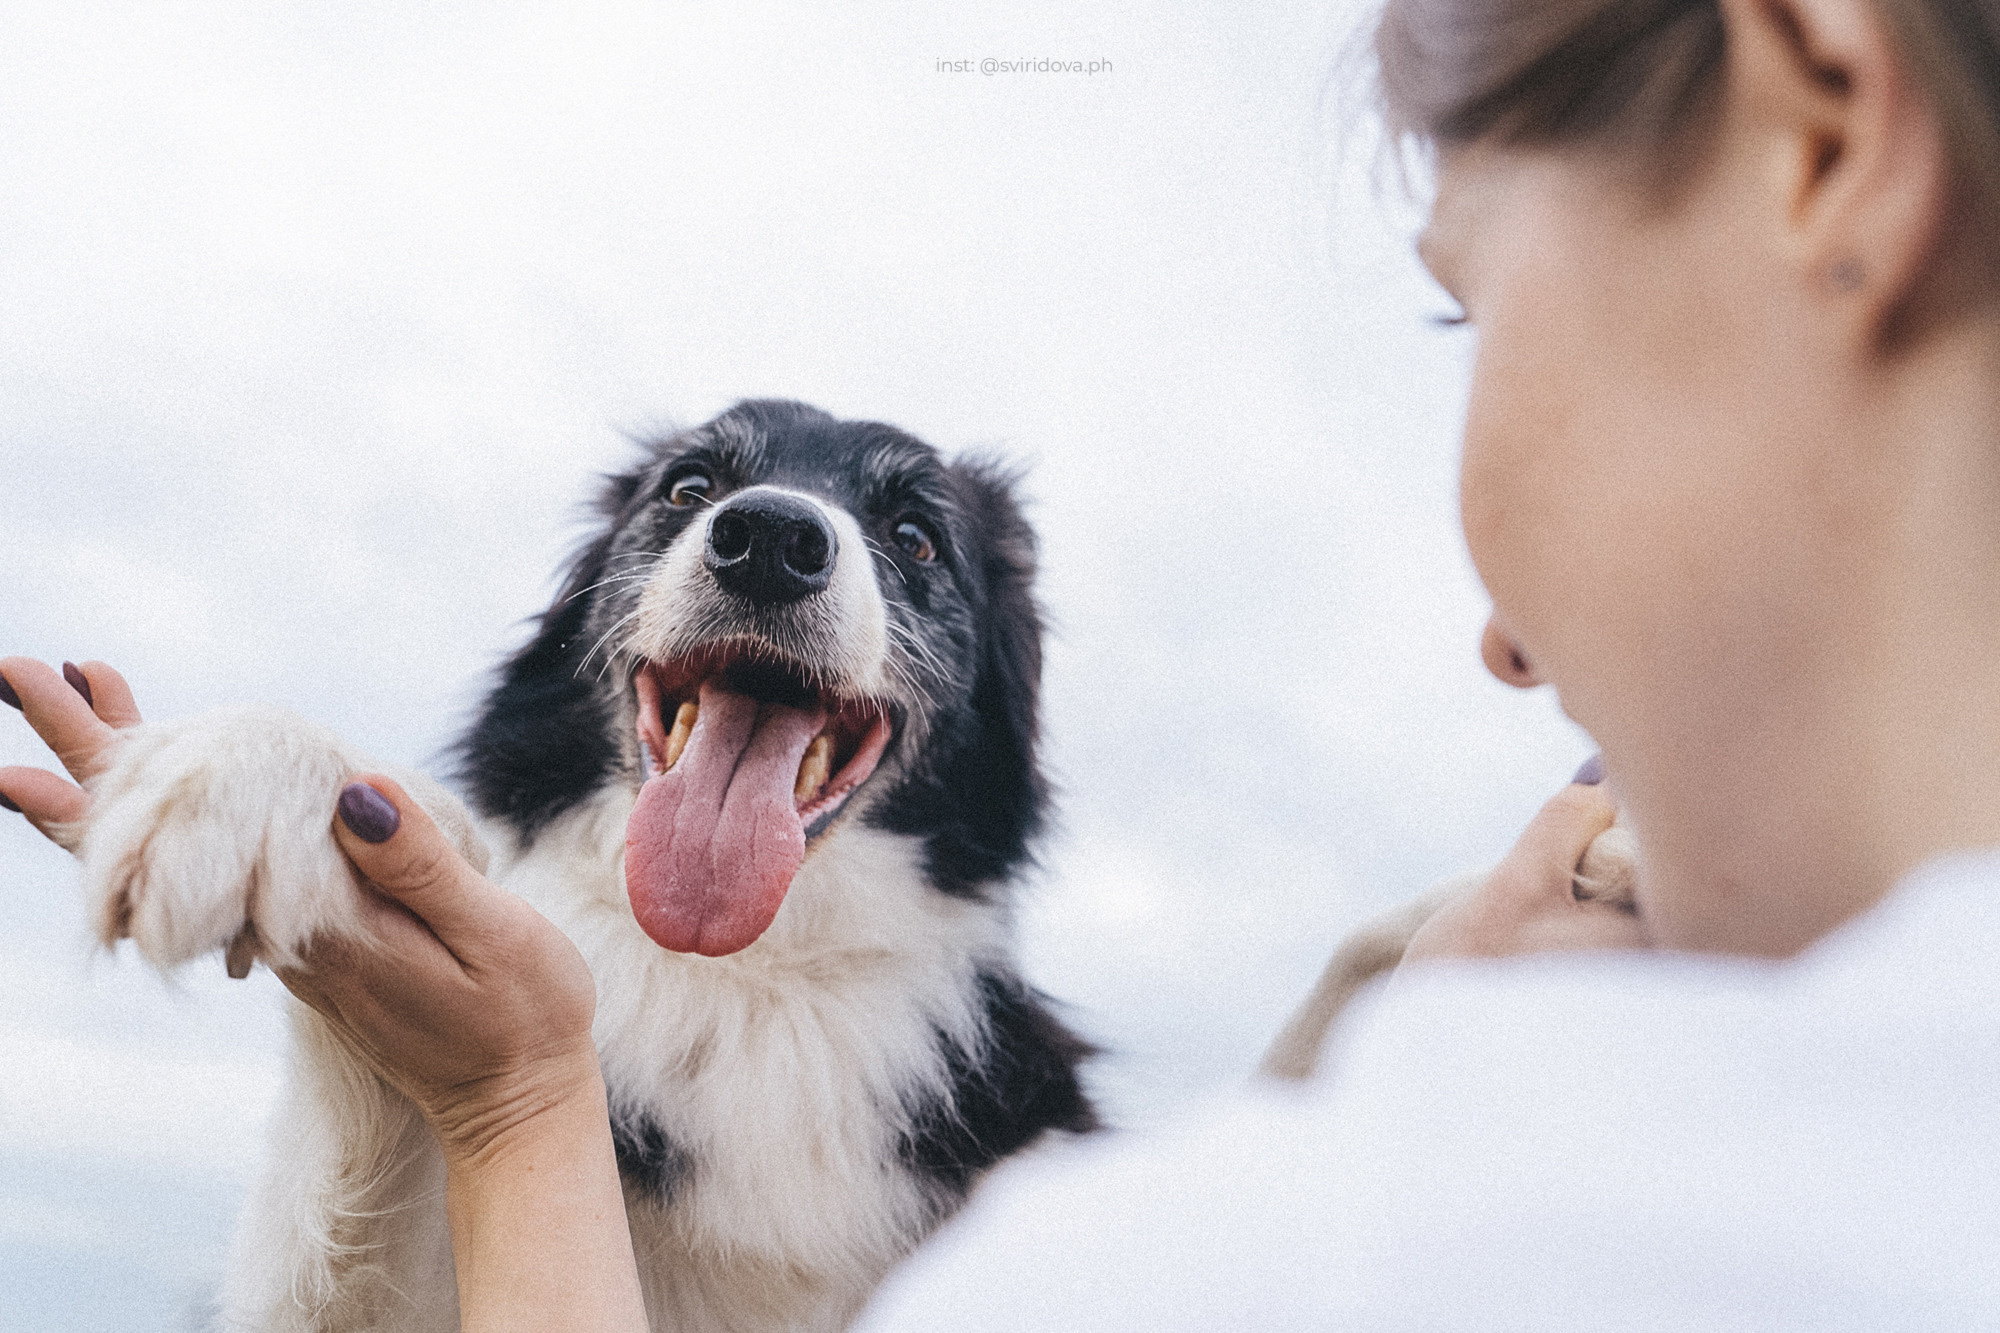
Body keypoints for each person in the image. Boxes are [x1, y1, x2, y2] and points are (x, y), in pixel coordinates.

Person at [7, 0, 2000, 1323]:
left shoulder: (1109, 1231)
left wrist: (509, 1102)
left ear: (1832, 137)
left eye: (1453, 313)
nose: (773, 528)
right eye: (712, 492)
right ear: (587, 646)